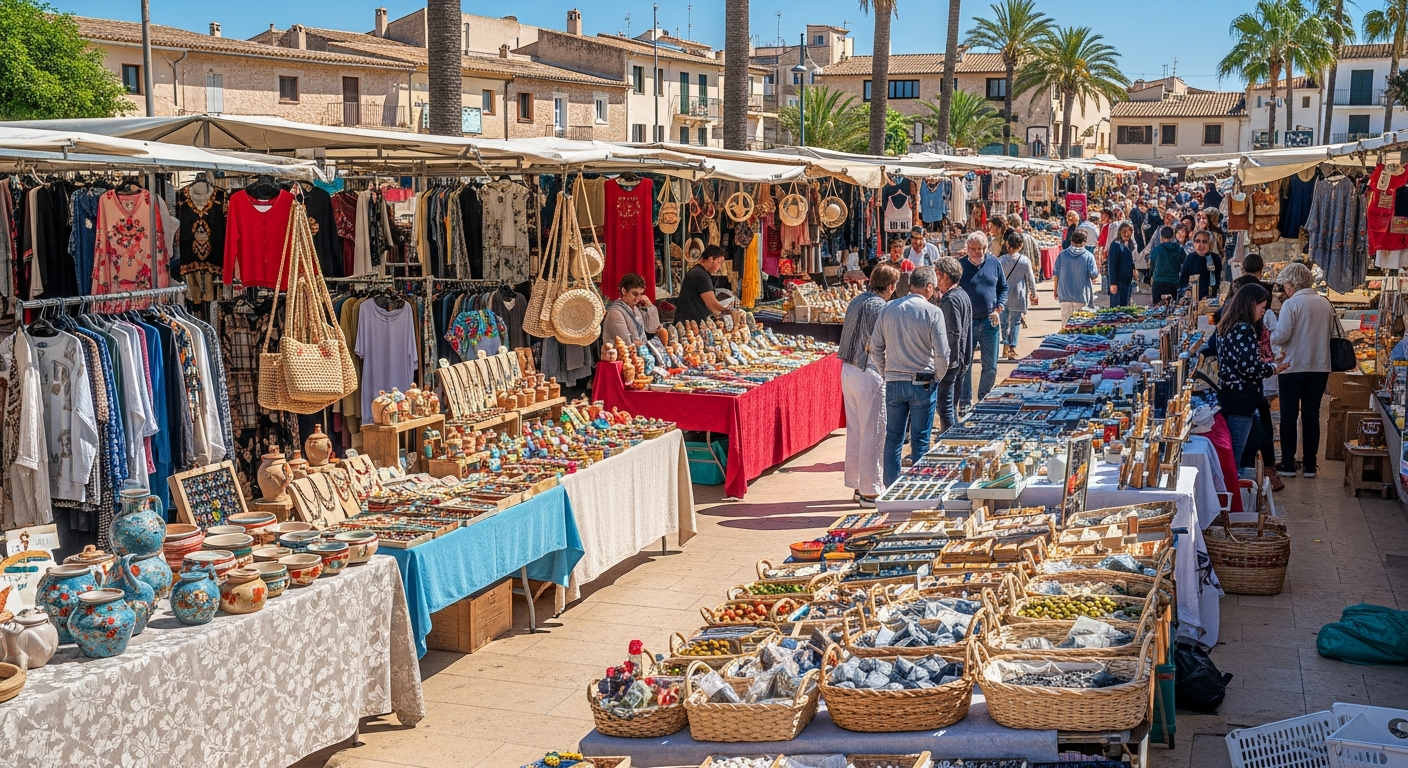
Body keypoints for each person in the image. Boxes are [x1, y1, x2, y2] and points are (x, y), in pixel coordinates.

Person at [870, 266, 950, 486]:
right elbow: (942, 353)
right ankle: (918, 489)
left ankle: (890, 487)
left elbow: (875, 347)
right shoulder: (933, 312)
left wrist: (886, 372)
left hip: (895, 381)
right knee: (920, 440)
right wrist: (938, 377)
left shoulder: (888, 309)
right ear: (930, 287)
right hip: (922, 382)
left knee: (893, 438)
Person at [839, 263, 901, 505]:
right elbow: (884, 343)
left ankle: (858, 485)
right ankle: (870, 491)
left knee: (856, 431)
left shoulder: (857, 301)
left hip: (848, 370)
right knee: (873, 432)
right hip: (868, 371)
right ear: (891, 286)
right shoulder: (882, 307)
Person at [1270, 262, 1336, 478]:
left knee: (1289, 415)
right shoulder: (1325, 303)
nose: (1285, 289)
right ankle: (1309, 465)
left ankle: (1288, 464)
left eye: (1285, 285)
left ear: (1291, 284)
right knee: (1311, 415)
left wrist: (1269, 336)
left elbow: (1282, 336)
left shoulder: (1292, 304)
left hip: (1293, 365)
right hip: (1319, 365)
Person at [1214, 283, 1283, 466]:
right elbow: (1249, 367)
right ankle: (1233, 488)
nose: (1264, 311)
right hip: (1242, 398)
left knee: (1242, 446)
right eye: (1262, 307)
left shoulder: (1226, 326)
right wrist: (1273, 368)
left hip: (1232, 395)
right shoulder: (1243, 329)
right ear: (1251, 304)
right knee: (1237, 452)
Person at [957, 231, 1008, 406]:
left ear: (986, 248)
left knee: (991, 366)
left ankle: (984, 398)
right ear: (967, 248)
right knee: (965, 365)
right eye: (973, 249)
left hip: (989, 322)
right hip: (967, 323)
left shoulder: (994, 263)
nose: (977, 252)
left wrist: (999, 308)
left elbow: (1003, 288)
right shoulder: (960, 266)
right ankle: (965, 401)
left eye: (981, 249)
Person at [933, 257, 972, 432]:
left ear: (944, 275)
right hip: (960, 359)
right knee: (950, 405)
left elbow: (953, 334)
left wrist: (947, 363)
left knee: (945, 407)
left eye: (937, 275)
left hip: (952, 362)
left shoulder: (950, 299)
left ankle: (948, 440)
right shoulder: (961, 294)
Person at [998, 232, 1037, 360]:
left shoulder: (1001, 260)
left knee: (1003, 322)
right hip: (1018, 294)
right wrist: (1034, 293)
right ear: (1021, 246)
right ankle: (1012, 349)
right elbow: (1030, 279)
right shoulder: (1025, 260)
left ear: (1008, 244)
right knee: (1015, 322)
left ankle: (1005, 345)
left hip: (1003, 295)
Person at [603, 273, 666, 345]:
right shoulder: (615, 313)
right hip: (621, 354)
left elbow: (653, 328)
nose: (638, 298)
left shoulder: (636, 309)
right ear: (624, 291)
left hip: (639, 351)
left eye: (641, 294)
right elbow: (626, 342)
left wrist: (649, 307)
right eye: (635, 294)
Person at [674, 245, 729, 324]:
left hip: (687, 320)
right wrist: (726, 310)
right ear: (710, 259)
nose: (719, 266)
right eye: (719, 262)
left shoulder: (697, 271)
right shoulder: (701, 275)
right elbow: (711, 303)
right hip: (690, 323)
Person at [1053, 229, 1099, 323]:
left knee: (1066, 325)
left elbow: (1056, 274)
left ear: (1071, 241)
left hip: (1064, 295)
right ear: (1084, 242)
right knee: (1081, 325)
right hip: (1081, 296)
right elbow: (1093, 275)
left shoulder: (1062, 255)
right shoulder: (1088, 256)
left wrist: (1055, 290)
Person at [1180, 229, 1221, 300]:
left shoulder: (1215, 258)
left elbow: (1217, 280)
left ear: (1210, 244)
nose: (1200, 245)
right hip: (1192, 299)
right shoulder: (1190, 257)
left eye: (1204, 242)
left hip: (1210, 300)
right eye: (1197, 241)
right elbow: (1183, 280)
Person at [1148, 226, 1184, 304]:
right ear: (1173, 236)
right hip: (1174, 282)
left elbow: (1152, 265)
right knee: (1172, 308)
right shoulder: (1179, 249)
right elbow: (1184, 263)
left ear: (1161, 236)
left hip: (1158, 282)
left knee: (1157, 309)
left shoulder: (1156, 250)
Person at [1106, 222, 1136, 307]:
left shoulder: (1129, 244)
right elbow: (1112, 265)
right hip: (1118, 282)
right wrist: (1113, 283)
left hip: (1127, 282)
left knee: (1125, 306)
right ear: (1120, 232)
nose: (1126, 234)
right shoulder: (1115, 244)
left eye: (1129, 232)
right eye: (1124, 232)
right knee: (1117, 308)